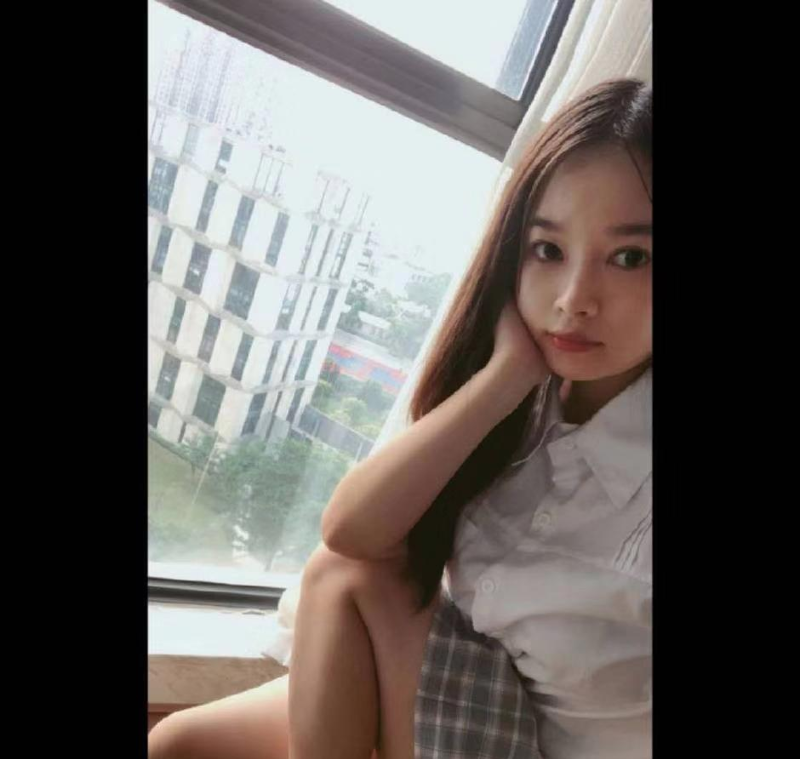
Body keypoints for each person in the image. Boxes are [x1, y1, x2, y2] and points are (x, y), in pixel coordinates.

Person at [149, 77, 653, 759]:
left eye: (630, 257)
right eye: (548, 250)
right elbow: (353, 529)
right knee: (180, 742)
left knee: (345, 580)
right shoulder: (527, 400)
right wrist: (503, 380)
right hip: (457, 680)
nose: (573, 299)